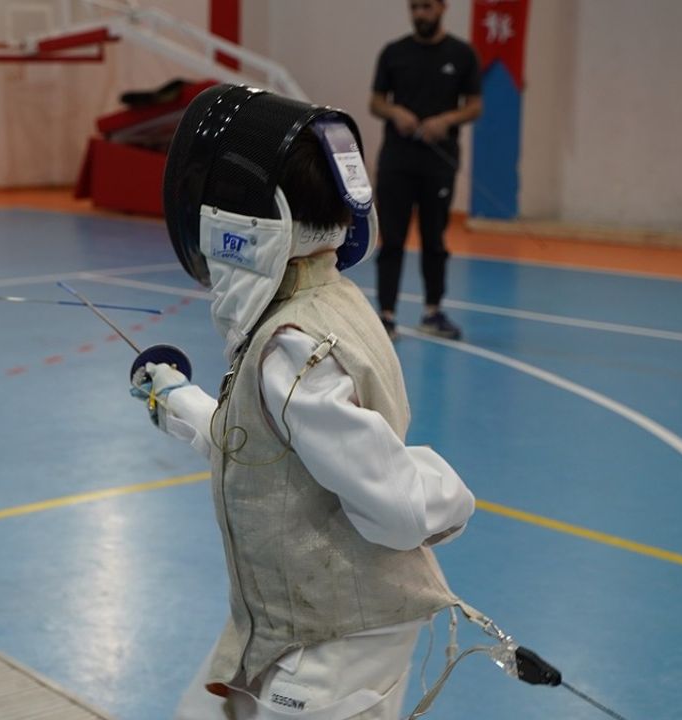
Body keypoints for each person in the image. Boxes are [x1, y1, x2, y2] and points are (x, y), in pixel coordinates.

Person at [154, 84, 476, 719]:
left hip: (338, 640)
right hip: (291, 623)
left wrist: (448, 490)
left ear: (239, 221)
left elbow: (398, 507)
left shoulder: (292, 348)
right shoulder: (330, 303)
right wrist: (172, 399)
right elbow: (258, 441)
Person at [369, 0, 482, 340]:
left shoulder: (462, 54)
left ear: (442, 8)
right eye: (415, 7)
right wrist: (395, 113)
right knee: (392, 239)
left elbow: (474, 106)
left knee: (435, 239)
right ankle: (386, 316)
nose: (420, 14)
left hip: (439, 162)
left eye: (427, 7)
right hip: (396, 161)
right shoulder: (393, 52)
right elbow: (375, 101)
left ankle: (433, 312)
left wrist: (446, 120)